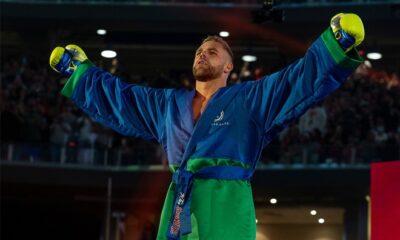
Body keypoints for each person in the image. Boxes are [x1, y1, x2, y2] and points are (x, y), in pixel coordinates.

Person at [49, 13, 364, 240]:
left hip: (227, 204)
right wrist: (81, 71)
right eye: (200, 51)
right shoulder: (168, 104)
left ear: (228, 66)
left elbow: (294, 82)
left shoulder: (248, 100)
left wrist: (333, 46)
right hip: (180, 204)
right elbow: (122, 99)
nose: (202, 53)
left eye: (212, 51)